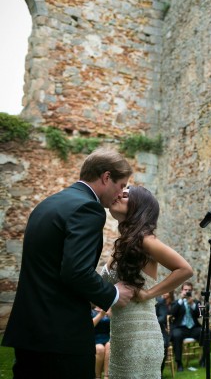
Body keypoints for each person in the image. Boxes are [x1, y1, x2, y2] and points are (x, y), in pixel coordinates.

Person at [2, 147, 135, 379]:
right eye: (121, 185)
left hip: (29, 332)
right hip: (62, 337)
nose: (121, 192)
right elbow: (76, 271)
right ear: (106, 177)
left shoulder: (47, 204)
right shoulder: (88, 208)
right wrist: (113, 294)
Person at [102, 185, 194, 378]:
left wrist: (148, 294)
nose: (118, 195)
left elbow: (185, 269)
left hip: (141, 337)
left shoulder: (145, 240)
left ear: (139, 207)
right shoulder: (123, 244)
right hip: (120, 337)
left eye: (125, 195)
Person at [170, 282, 203, 371]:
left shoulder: (196, 302)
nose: (187, 292)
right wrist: (181, 300)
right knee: (176, 335)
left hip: (193, 328)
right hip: (180, 328)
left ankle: (203, 359)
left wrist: (192, 304)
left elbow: (200, 315)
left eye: (189, 290)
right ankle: (179, 363)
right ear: (182, 291)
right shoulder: (176, 302)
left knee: (205, 332)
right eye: (185, 290)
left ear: (192, 291)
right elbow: (172, 313)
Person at [155, 291, 175, 376]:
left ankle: (160, 372)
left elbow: (163, 317)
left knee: (163, 344)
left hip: (158, 330)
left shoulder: (160, 301)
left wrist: (150, 322)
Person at [92, 306, 111, 379]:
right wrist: (101, 314)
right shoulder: (91, 311)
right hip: (95, 338)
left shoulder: (110, 309)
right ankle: (97, 376)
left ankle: (107, 376)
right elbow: (89, 326)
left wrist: (111, 314)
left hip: (107, 337)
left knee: (109, 346)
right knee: (100, 349)